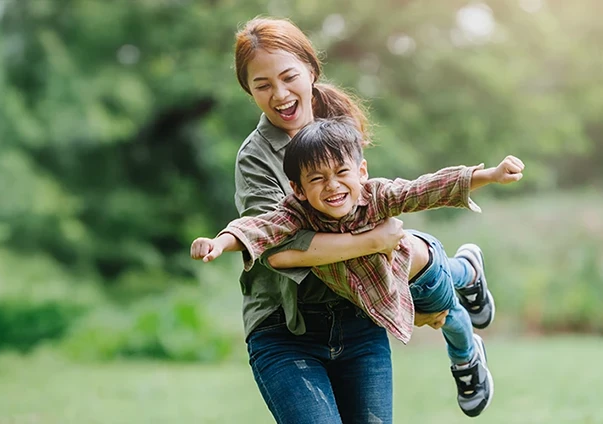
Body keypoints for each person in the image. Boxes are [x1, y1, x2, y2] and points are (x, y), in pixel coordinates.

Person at [192, 16, 461, 423]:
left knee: (421, 252)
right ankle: (456, 287)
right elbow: (278, 250)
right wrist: (375, 242)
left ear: (311, 70)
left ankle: (459, 287)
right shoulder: (256, 157)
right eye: (262, 85)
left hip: (356, 320)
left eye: (288, 77)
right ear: (249, 91)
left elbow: (381, 202)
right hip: (286, 329)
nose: (279, 94)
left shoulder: (339, 128)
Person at [193, 118, 523, 417]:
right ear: (298, 189)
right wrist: (219, 242)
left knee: (446, 311)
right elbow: (260, 228)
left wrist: (489, 175)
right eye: (317, 179)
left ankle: (467, 302)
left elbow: (424, 189)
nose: (332, 186)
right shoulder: (296, 214)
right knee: (445, 303)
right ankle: (466, 270)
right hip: (373, 294)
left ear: (361, 171)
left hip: (416, 272)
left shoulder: (378, 195)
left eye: (341, 173)